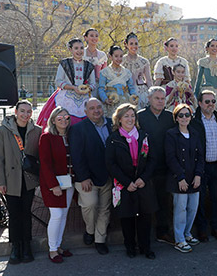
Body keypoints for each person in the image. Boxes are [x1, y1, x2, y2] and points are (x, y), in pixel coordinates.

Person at [104, 103, 157, 258]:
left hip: (143, 183)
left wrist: (143, 178)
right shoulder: (113, 139)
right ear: (119, 119)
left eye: (132, 115)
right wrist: (127, 183)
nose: (130, 119)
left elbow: (152, 160)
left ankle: (145, 247)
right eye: (126, 116)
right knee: (127, 218)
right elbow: (110, 164)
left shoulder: (144, 136)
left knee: (145, 217)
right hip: (124, 185)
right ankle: (130, 247)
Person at [0, 100, 41, 265]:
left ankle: (27, 245)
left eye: (29, 111)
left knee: (26, 214)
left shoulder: (37, 131)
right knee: (14, 215)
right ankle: (15, 246)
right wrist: (0, 182)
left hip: (28, 180)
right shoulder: (2, 131)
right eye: (22, 111)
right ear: (16, 112)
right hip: (10, 179)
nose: (26, 114)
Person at [69, 97, 112, 255]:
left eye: (98, 107)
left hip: (108, 176)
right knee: (90, 205)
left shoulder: (112, 124)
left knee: (104, 209)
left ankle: (100, 240)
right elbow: (77, 155)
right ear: (85, 112)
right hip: (87, 178)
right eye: (92, 108)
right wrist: (83, 177)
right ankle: (90, 230)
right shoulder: (78, 129)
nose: (96, 111)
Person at [164, 104, 204, 253]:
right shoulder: (171, 134)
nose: (184, 118)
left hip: (194, 178)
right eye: (181, 115)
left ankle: (187, 234)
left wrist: (199, 175)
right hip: (178, 178)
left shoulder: (195, 133)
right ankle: (179, 239)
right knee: (180, 209)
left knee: (192, 208)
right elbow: (170, 158)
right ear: (176, 118)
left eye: (187, 115)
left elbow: (200, 156)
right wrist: (180, 177)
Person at [137, 86, 174, 244]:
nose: (160, 101)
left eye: (162, 98)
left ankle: (162, 232)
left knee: (163, 201)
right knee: (144, 203)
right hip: (144, 168)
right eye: (157, 98)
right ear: (149, 99)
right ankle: (142, 238)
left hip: (165, 167)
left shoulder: (170, 117)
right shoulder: (139, 116)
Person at [39, 107, 74, 264]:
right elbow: (45, 164)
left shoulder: (70, 136)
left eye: (66, 117)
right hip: (52, 184)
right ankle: (52, 249)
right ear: (53, 120)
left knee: (64, 215)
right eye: (59, 118)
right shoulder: (46, 137)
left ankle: (58, 246)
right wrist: (53, 185)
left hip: (69, 182)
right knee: (57, 215)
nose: (63, 120)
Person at [37, 38, 97, 127]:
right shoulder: (64, 63)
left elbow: (93, 84)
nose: (79, 51)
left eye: (81, 48)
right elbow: (58, 81)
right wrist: (73, 88)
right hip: (66, 96)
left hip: (84, 97)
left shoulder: (89, 65)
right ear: (70, 49)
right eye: (76, 48)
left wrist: (87, 88)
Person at [192, 89, 217, 242]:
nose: (211, 104)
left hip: (216, 165)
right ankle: (202, 230)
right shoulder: (194, 122)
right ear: (200, 103)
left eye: (213, 101)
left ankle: (216, 228)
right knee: (200, 200)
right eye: (207, 101)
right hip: (201, 166)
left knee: (216, 199)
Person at [98, 46, 138, 115]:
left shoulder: (127, 72)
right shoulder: (105, 72)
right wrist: (105, 99)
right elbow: (101, 88)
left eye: (121, 56)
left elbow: (131, 87)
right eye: (116, 56)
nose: (119, 59)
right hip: (111, 101)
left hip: (125, 100)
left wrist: (134, 97)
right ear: (110, 57)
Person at [122, 34, 152, 110]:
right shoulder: (121, 60)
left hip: (141, 92)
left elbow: (148, 80)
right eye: (131, 44)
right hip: (125, 91)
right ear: (126, 45)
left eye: (136, 44)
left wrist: (152, 94)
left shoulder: (144, 61)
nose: (134, 46)